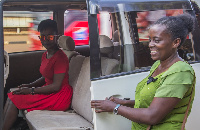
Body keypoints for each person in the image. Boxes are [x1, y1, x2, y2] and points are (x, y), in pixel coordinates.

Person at [91, 13, 196, 129]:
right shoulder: (158, 65)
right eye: (150, 40)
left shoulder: (180, 72)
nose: (150, 45)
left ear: (175, 42)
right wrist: (125, 103)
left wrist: (114, 108)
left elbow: (152, 116)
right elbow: (154, 101)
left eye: (156, 40)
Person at [3, 19, 73, 130]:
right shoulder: (45, 54)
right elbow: (45, 77)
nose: (45, 41)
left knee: (14, 98)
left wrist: (31, 91)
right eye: (42, 37)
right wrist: (29, 85)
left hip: (59, 97)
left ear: (56, 36)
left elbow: (56, 86)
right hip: (49, 91)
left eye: (49, 37)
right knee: (12, 94)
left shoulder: (60, 58)